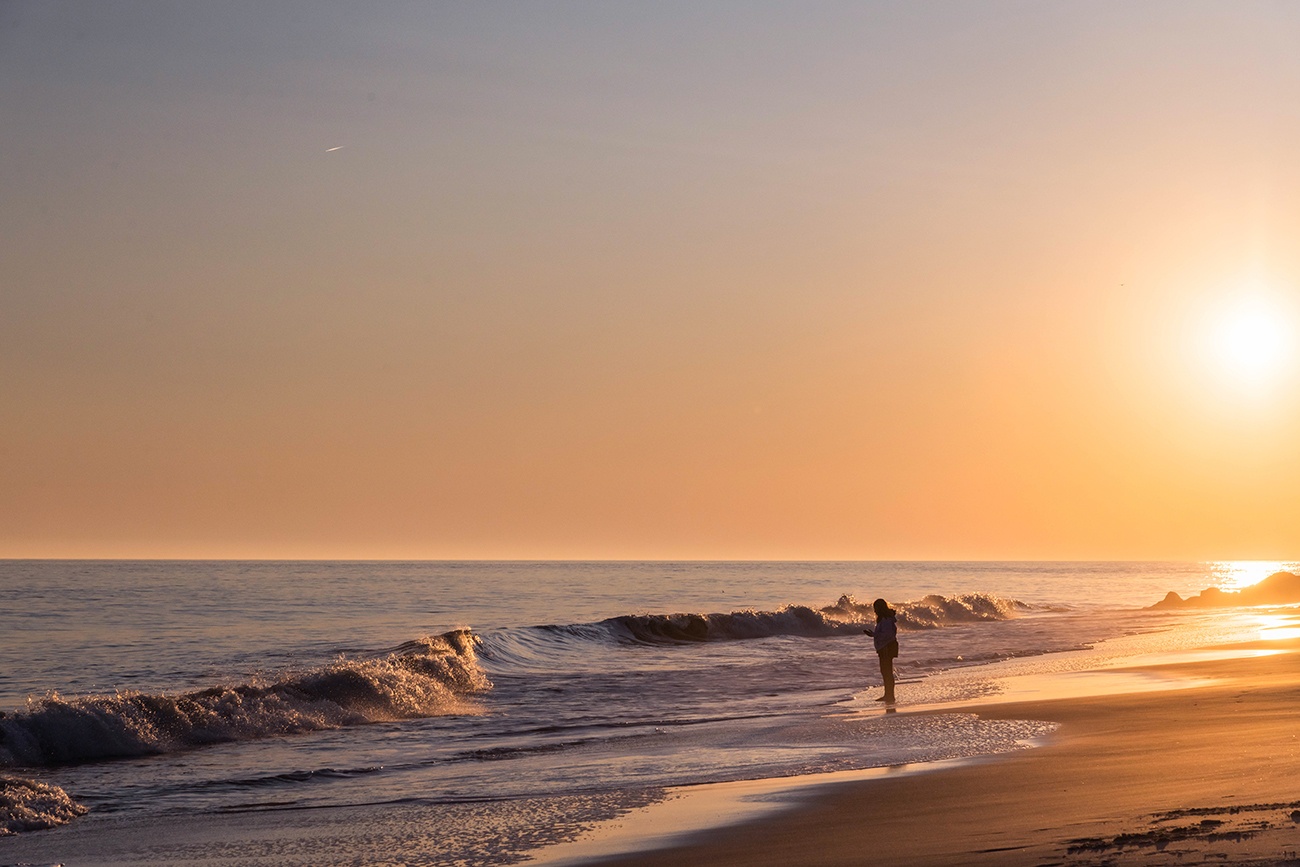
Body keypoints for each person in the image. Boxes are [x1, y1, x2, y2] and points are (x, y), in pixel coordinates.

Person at [863, 597, 898, 703]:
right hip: (886, 646)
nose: (874, 611)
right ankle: (888, 694)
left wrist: (874, 634)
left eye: (876, 608)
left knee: (886, 671)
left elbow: (887, 635)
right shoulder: (885, 619)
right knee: (886, 671)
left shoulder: (886, 619)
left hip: (887, 646)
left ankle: (889, 695)